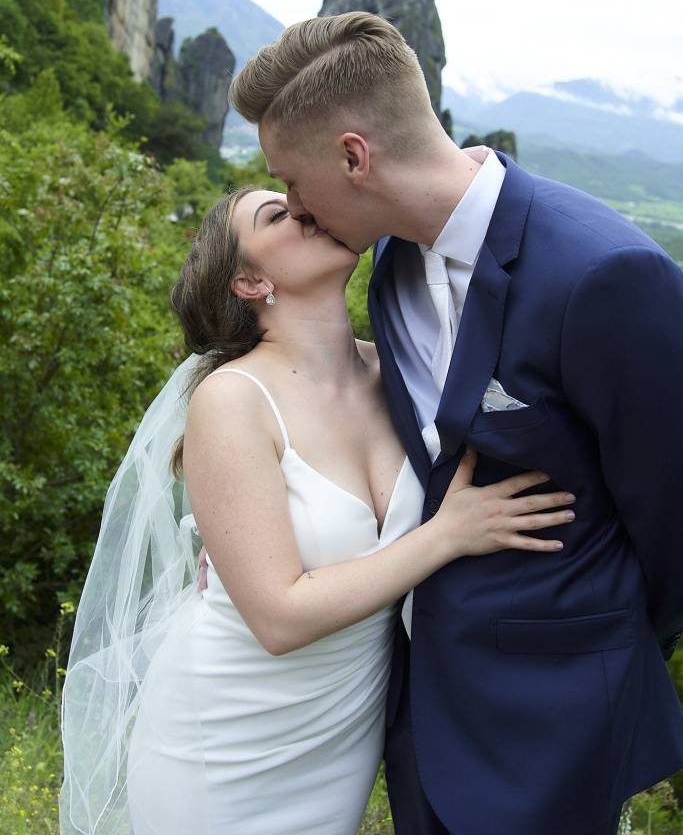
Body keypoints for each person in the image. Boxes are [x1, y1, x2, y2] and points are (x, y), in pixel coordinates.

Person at [228, 11, 683, 835]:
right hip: (421, 714)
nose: (293, 206)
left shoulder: (605, 274)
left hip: (555, 723)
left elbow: (671, 520)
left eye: (291, 181)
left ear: (353, 157)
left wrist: (590, 649)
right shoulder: (390, 264)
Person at [59, 186, 577, 835]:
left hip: (338, 731)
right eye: (276, 215)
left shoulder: (399, 374)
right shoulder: (232, 400)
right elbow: (278, 617)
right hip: (224, 734)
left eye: (299, 196)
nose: (305, 208)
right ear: (249, 281)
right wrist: (447, 536)